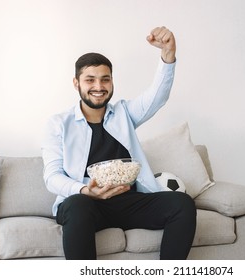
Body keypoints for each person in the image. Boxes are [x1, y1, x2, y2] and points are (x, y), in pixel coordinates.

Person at [41, 26, 196, 260]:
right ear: (76, 83)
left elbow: (157, 97)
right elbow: (52, 176)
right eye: (90, 80)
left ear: (112, 82)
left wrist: (168, 56)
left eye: (105, 79)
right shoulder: (59, 124)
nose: (98, 87)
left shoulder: (124, 113)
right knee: (76, 206)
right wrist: (85, 190)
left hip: (128, 202)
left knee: (182, 203)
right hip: (87, 203)